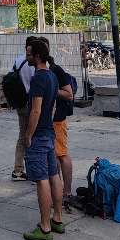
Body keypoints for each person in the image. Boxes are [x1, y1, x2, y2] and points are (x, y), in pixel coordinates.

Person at [22, 39, 64, 240]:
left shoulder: (38, 78)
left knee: (42, 180)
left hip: (39, 135)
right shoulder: (53, 76)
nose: (26, 57)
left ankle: (45, 226)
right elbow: (53, 106)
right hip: (49, 132)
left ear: (37, 56)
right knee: (54, 174)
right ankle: (57, 218)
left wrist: (28, 135)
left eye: (29, 54)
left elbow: (36, 109)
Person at [48, 52, 76, 207]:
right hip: (49, 120)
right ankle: (57, 191)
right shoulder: (45, 71)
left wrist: (51, 88)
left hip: (58, 119)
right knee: (54, 156)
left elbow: (69, 94)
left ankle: (66, 192)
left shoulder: (56, 70)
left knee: (62, 154)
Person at [10, 36, 38, 180]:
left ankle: (18, 169)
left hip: (20, 102)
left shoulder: (18, 60)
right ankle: (34, 170)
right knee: (34, 135)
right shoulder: (34, 63)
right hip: (33, 102)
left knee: (23, 135)